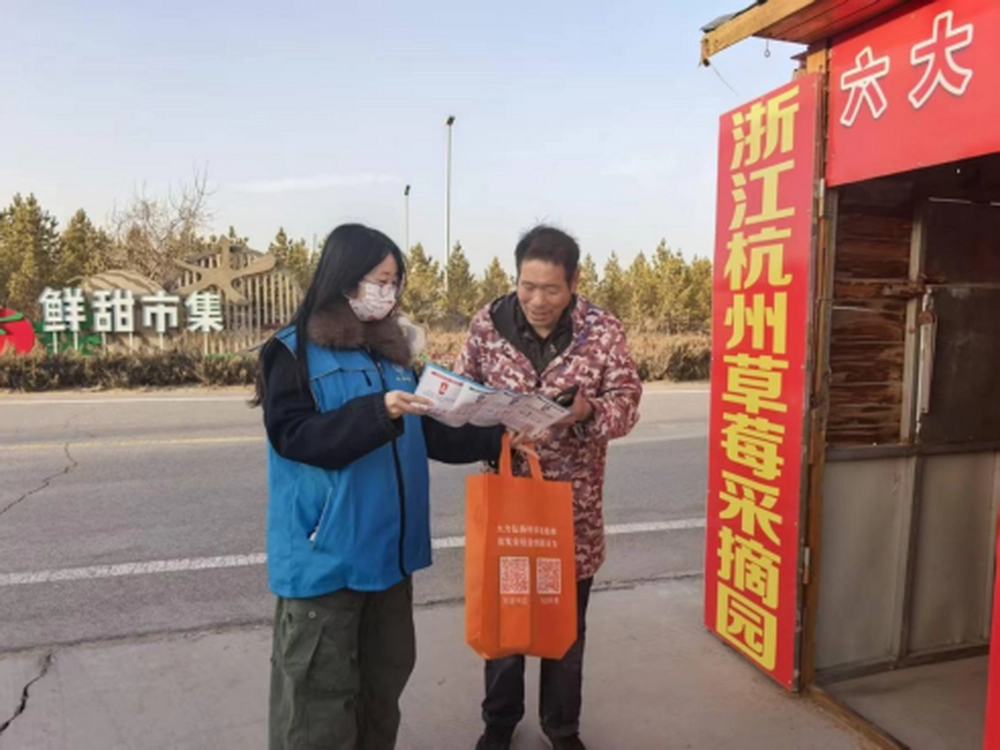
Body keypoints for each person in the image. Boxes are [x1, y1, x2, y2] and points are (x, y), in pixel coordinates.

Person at [257, 224, 506, 750]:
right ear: (344, 277)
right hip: (327, 562)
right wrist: (378, 411)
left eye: (394, 282)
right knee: (319, 709)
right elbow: (294, 437)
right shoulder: (293, 351)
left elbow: (428, 432)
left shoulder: (394, 354)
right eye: (378, 280)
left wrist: (501, 433)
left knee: (381, 694)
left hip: (390, 561)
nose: (387, 293)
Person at [454, 225, 642, 750]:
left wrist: (585, 412)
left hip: (572, 511)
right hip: (510, 503)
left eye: (551, 289)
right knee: (505, 619)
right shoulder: (487, 326)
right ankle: (499, 722)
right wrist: (484, 421)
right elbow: (462, 395)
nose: (537, 301)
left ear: (574, 282)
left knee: (565, 628)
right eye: (527, 286)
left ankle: (562, 727)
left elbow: (627, 403)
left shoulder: (601, 330)